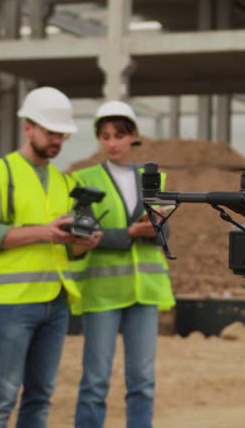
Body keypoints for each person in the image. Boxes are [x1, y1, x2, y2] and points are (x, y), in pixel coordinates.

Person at [0, 86, 101, 428]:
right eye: (50, 132)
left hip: (55, 302)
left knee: (40, 399)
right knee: (0, 400)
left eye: (62, 134)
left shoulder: (61, 180)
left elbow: (61, 245)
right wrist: (44, 231)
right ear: (27, 126)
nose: (57, 140)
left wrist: (83, 244)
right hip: (13, 303)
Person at [71, 101, 175, 428]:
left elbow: (165, 234)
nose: (112, 142)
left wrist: (156, 229)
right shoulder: (85, 179)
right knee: (95, 381)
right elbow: (82, 234)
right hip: (102, 293)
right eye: (105, 136)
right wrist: (130, 232)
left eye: (119, 135)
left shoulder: (152, 178)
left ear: (133, 136)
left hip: (144, 293)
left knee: (142, 381)